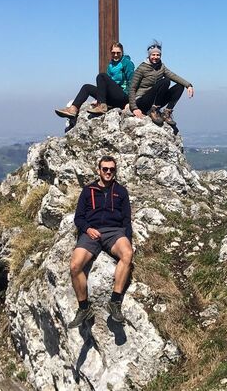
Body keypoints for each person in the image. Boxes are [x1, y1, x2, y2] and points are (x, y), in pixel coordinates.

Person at [68, 155, 134, 327]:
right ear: (99, 170)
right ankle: (84, 308)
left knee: (127, 254)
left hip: (114, 232)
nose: (108, 172)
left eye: (112, 169)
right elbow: (78, 218)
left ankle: (115, 302)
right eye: (105, 169)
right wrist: (88, 229)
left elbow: (126, 220)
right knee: (75, 266)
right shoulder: (87, 190)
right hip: (91, 232)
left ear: (115, 171)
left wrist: (128, 239)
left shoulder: (121, 191)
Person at [56, 42, 136, 120]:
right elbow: (106, 85)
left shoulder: (127, 63)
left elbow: (132, 82)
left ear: (122, 52)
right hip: (112, 97)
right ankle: (73, 109)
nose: (115, 55)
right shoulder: (111, 65)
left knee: (101, 76)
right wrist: (100, 97)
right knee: (86, 87)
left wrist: (130, 102)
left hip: (123, 97)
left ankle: (102, 106)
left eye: (118, 53)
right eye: (113, 53)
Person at [128, 40, 194, 129]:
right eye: (153, 55)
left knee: (179, 86)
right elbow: (132, 88)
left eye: (158, 55)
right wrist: (134, 108)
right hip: (142, 101)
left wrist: (188, 85)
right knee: (166, 81)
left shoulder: (161, 67)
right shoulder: (142, 68)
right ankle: (154, 111)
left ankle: (167, 113)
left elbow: (173, 76)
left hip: (155, 100)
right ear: (149, 55)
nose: (155, 57)